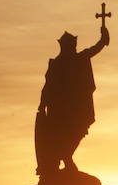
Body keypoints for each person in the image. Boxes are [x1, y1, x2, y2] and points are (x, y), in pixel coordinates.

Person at [36, 26, 110, 176]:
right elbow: (48, 85)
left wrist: (103, 39)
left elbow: (94, 49)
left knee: (77, 132)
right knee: (63, 135)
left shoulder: (78, 59)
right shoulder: (55, 64)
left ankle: (67, 158)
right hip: (59, 110)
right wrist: (42, 103)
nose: (74, 47)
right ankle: (67, 159)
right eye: (72, 45)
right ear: (65, 46)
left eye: (74, 45)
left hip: (75, 109)